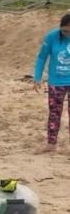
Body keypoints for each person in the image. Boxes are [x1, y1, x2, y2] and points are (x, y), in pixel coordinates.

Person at [32, 13, 70, 153]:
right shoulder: (52, 37)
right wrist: (37, 77)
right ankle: (51, 144)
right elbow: (42, 57)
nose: (67, 34)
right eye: (64, 30)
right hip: (56, 81)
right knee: (54, 113)